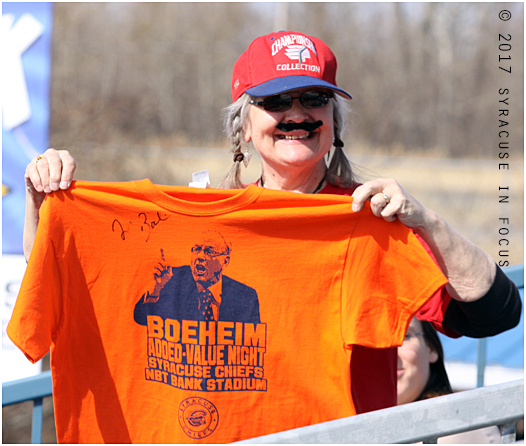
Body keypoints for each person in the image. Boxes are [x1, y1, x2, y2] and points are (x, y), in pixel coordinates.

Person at [23, 30, 520, 416]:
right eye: (277, 102)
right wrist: (43, 205)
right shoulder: (196, 227)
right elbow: (53, 286)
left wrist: (427, 221)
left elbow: (494, 314)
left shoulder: (368, 226)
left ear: (334, 120)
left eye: (313, 99)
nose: (297, 114)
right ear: (242, 124)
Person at [398, 318, 501, 443]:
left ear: (430, 348)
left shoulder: (459, 422)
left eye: (405, 336)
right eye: (369, 344)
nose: (389, 355)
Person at [133, 230, 261, 325]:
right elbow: (141, 318)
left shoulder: (245, 295)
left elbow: (251, 344)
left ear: (225, 261)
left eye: (209, 251)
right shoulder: (171, 280)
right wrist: (156, 290)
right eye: (196, 249)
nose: (200, 256)